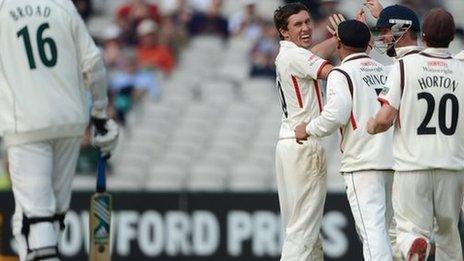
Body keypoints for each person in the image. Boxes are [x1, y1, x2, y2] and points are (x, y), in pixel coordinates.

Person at [0, 0, 118, 260]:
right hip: (70, 123)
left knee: (37, 219)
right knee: (49, 218)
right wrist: (100, 113)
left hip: (26, 126)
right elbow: (94, 63)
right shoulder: (63, 5)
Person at [367, 9, 464, 261]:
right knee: (449, 237)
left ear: (424, 35)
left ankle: (414, 243)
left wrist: (372, 125)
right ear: (453, 36)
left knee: (408, 231)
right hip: (452, 169)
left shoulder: (404, 65)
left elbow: (385, 118)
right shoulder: (461, 69)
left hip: (412, 168)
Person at [294, 19, 394, 261]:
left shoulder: (341, 73)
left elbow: (335, 114)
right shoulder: (386, 70)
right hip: (393, 160)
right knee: (387, 231)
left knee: (372, 232)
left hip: (362, 162)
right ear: (368, 44)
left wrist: (307, 128)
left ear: (338, 43)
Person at [273, 3, 336, 260]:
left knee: (302, 229)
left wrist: (339, 38)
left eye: (308, 22)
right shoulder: (296, 57)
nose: (306, 27)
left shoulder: (288, 55)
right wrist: (359, 63)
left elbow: (315, 54)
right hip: (305, 143)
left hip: (288, 144)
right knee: (303, 231)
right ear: (284, 32)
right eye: (298, 24)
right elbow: (331, 72)